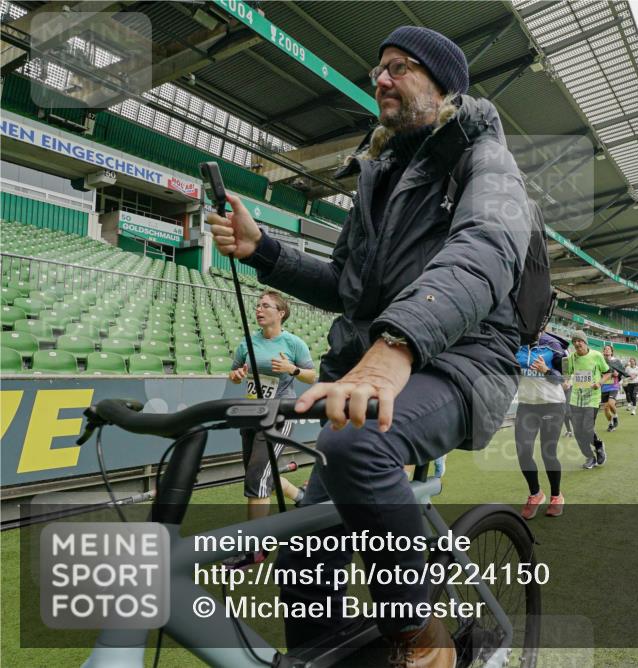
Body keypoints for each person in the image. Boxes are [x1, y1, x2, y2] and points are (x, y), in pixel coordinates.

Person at [210, 25, 529, 665]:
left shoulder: (484, 156)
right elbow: (346, 286)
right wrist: (264, 251)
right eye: (378, 68)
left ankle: (423, 637)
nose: (381, 78)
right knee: (304, 539)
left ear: (445, 86)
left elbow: (486, 250)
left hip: (461, 361)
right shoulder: (377, 174)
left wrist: (397, 345)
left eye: (400, 67)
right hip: (381, 360)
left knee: (358, 440)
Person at [227, 291, 316, 567]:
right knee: (262, 474)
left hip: (278, 415)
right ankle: (300, 496)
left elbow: (314, 376)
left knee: (256, 478)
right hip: (251, 414)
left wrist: (292, 369)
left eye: (266, 305)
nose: (259, 309)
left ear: (281, 313)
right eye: (257, 305)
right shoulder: (247, 342)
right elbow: (233, 375)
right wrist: (237, 374)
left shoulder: (293, 343)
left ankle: (255, 548)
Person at [515, 332, 568, 519]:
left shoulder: (553, 346)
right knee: (523, 452)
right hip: (526, 406)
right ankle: (535, 493)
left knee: (548, 453)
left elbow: (564, 379)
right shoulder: (516, 344)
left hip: (551, 404)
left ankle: (556, 496)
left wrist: (546, 370)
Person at [563, 331, 611, 470]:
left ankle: (598, 445)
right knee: (578, 432)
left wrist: (599, 383)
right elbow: (567, 374)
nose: (577, 344)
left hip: (592, 398)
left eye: (580, 341)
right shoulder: (571, 358)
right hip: (576, 399)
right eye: (575, 341)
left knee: (587, 429)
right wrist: (566, 382)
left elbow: (608, 373)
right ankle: (590, 457)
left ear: (585, 342)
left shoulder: (597, 355)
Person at [600, 344, 625, 432]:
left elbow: (622, 372)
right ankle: (610, 423)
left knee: (611, 404)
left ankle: (615, 416)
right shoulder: (601, 361)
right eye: (605, 349)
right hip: (604, 386)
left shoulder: (616, 361)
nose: (607, 350)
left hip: (614, 385)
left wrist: (618, 374)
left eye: (608, 349)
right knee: (606, 409)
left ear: (611, 351)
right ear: (603, 351)